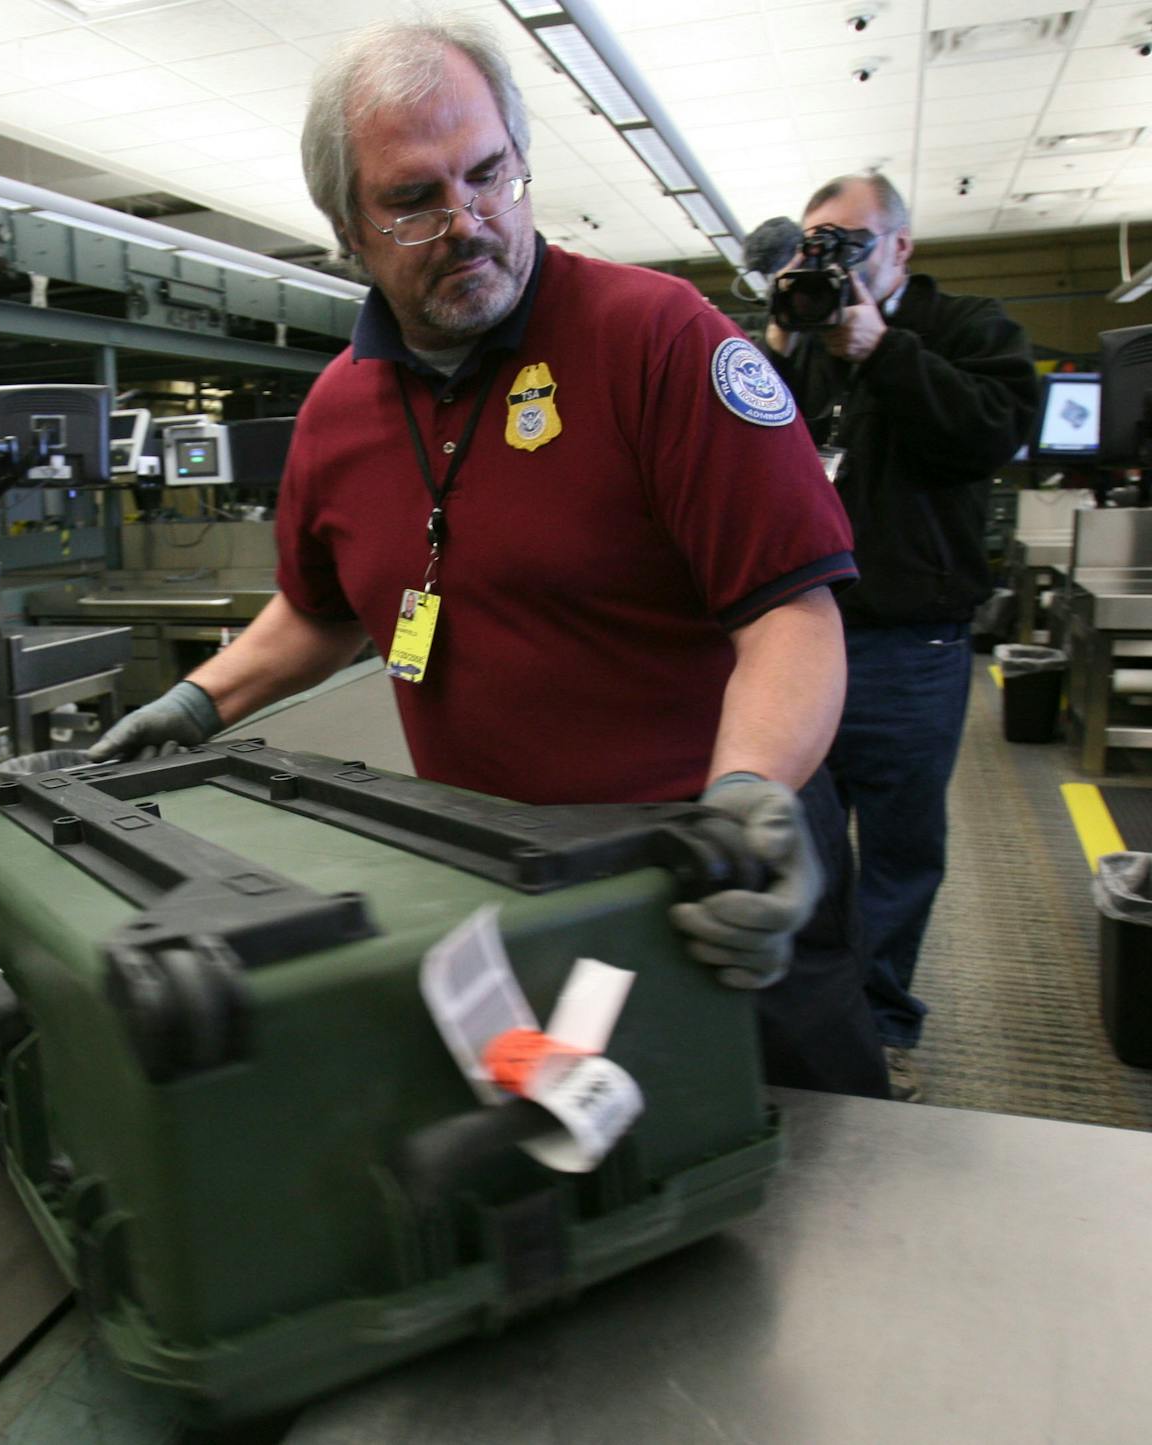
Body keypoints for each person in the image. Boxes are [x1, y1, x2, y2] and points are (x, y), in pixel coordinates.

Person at [87, 13, 887, 1096]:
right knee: (570, 1169)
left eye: (489, 175)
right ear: (347, 228)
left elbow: (790, 613)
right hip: (498, 882)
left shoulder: (660, 339)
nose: (467, 222)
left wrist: (747, 801)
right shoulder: (337, 414)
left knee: (815, 1179)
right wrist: (196, 704)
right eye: (414, 199)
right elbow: (324, 609)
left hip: (711, 879)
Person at [763, 174, 1038, 1101]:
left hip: (910, 643)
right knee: (799, 844)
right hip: (803, 640)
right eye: (815, 242)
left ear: (901, 245)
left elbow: (993, 433)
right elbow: (758, 456)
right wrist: (774, 345)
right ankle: (812, 1027)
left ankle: (881, 1029)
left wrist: (884, 351)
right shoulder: (804, 335)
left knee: (896, 849)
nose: (830, 259)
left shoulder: (968, 327)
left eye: (848, 240)